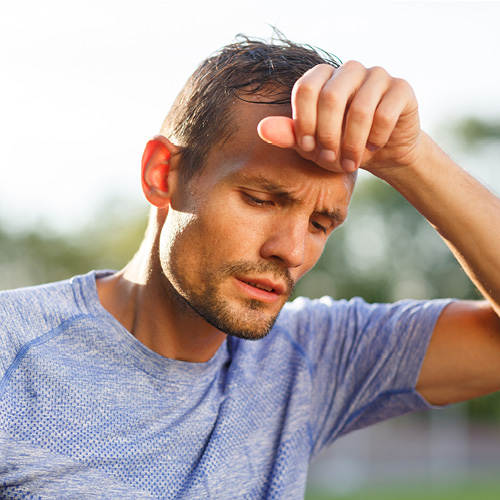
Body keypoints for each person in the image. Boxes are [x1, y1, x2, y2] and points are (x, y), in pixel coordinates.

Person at [1, 34, 500, 499]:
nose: (293, 250)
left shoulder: (310, 360)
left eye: (321, 224)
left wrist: (413, 159)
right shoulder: (12, 347)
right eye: (261, 199)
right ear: (162, 175)